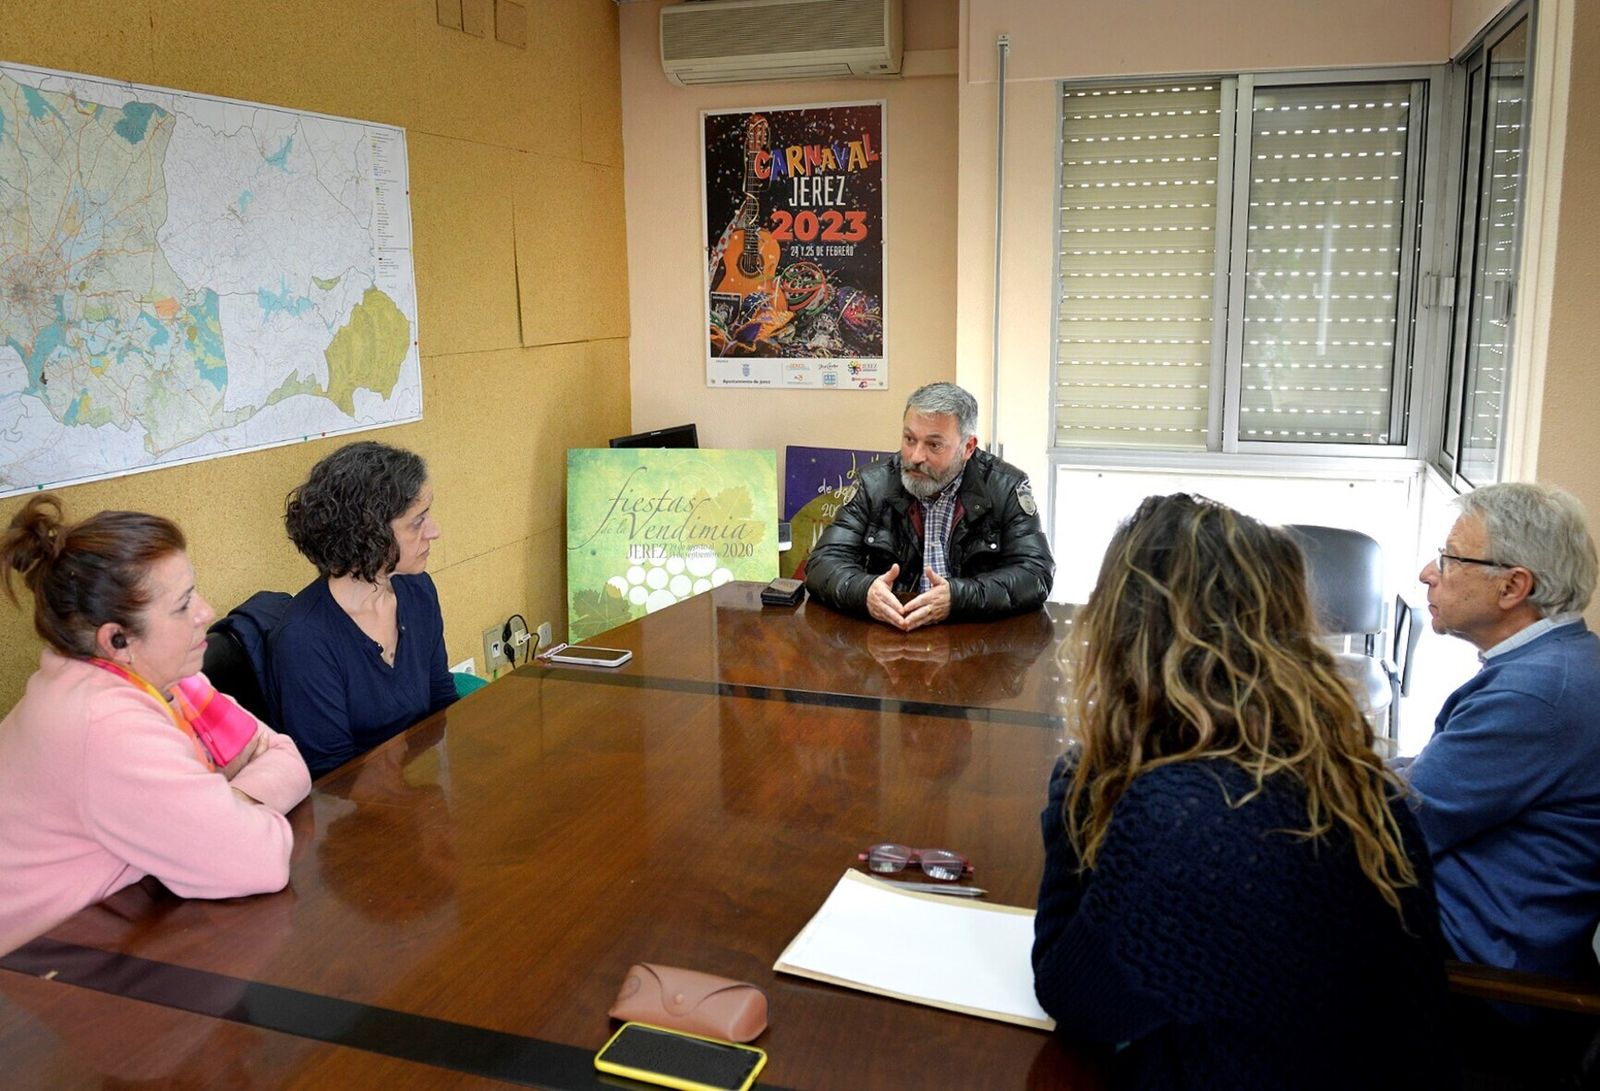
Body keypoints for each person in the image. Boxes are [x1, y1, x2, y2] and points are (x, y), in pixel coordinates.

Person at [1032, 494, 1452, 1090]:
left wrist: (1078, 789)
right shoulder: (1364, 785)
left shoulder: (1178, 817)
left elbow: (1075, 999)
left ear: (1128, 635)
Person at [0, 495, 310, 956]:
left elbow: (285, 755)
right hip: (49, 975)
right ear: (117, 640)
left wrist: (230, 803)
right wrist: (225, 814)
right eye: (183, 604)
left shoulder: (167, 682)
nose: (206, 612)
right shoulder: (105, 725)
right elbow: (257, 860)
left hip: (128, 927)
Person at [1397, 482, 1600, 982]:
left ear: (1512, 588)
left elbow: (1399, 821)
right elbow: (1431, 777)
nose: (1427, 574)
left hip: (1483, 978)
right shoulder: (1563, 661)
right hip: (1480, 932)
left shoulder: (1534, 695)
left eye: (1448, 560)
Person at [269, 441, 456, 778]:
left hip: (418, 786)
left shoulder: (418, 590)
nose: (434, 531)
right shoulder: (305, 639)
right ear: (368, 535)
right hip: (360, 812)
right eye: (417, 522)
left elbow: (441, 702)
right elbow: (332, 774)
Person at [803, 382, 1054, 630]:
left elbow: (1035, 574)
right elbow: (823, 563)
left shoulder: (1005, 487)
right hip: (892, 631)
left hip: (971, 635)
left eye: (934, 445)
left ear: (968, 447)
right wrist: (864, 591)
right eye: (909, 439)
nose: (915, 457)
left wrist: (959, 598)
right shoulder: (873, 484)